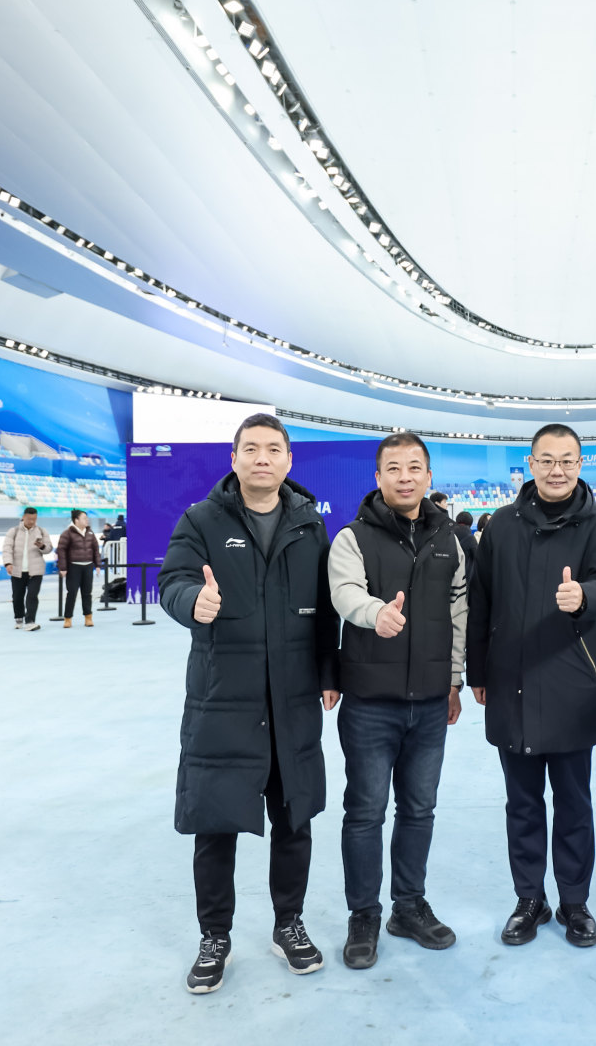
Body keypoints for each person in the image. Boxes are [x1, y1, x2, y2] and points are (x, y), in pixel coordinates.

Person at [158, 413, 340, 992]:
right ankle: (215, 935)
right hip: (222, 699)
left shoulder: (310, 525)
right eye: (251, 449)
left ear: (289, 460)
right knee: (215, 824)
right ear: (233, 458)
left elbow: (325, 610)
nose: (263, 458)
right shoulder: (201, 519)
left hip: (292, 699)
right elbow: (172, 581)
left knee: (294, 820)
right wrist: (193, 602)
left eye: (273, 449)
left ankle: (289, 924)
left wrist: (329, 672)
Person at [467, 423, 596, 949]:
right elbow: (480, 600)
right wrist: (478, 671)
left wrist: (584, 596)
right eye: (547, 460)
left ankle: (575, 901)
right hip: (510, 683)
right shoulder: (501, 525)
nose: (557, 470)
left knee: (574, 803)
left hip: (571, 686)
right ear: (531, 464)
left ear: (580, 464)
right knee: (522, 803)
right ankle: (529, 899)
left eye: (567, 460)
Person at [327, 433, 468, 970]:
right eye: (394, 468)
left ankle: (408, 907)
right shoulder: (353, 537)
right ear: (378, 477)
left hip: (430, 702)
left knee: (419, 809)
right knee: (365, 812)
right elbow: (345, 593)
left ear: (429, 477)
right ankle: (363, 914)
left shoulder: (450, 540)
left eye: (414, 468)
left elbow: (459, 611)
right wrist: (375, 613)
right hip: (370, 703)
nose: (404, 477)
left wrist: (453, 679)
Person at [3, 508, 53, 631]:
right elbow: (7, 548)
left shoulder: (41, 531)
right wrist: (8, 563)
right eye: (30, 519)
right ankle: (19, 617)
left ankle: (30, 621)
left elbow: (49, 549)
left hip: (36, 570)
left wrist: (42, 546)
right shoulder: (13, 531)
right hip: (17, 570)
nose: (32, 521)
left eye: (34, 519)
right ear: (23, 517)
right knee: (17, 596)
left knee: (32, 596)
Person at [56, 509, 102, 628]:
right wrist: (63, 567)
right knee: (72, 593)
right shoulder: (67, 533)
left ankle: (88, 617)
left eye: (87, 518)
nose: (87, 520)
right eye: (84, 518)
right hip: (73, 567)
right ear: (76, 520)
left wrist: (97, 565)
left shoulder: (90, 533)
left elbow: (96, 550)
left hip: (88, 567)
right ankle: (68, 618)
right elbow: (61, 551)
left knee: (87, 593)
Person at [429, 491, 477, 582]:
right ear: (437, 503)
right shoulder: (440, 521)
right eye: (444, 502)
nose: (446, 505)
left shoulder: (434, 520)